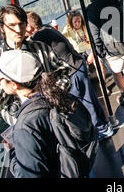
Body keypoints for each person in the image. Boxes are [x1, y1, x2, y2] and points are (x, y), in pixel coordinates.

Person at [0, 49, 94, 178]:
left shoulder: (26, 126)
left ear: (14, 85)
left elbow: (29, 174)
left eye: (1, 79)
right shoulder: (62, 97)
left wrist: (12, 154)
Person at [25, 11, 114, 140]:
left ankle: (100, 128)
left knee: (85, 102)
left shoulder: (40, 35)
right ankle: (104, 125)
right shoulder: (47, 28)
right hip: (78, 66)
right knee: (91, 99)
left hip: (73, 71)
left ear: (30, 27)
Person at [0, 4, 71, 126]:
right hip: (22, 123)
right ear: (2, 28)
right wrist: (2, 81)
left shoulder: (41, 49)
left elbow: (64, 74)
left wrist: (51, 97)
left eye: (21, 24)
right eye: (12, 25)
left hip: (53, 117)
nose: (18, 30)